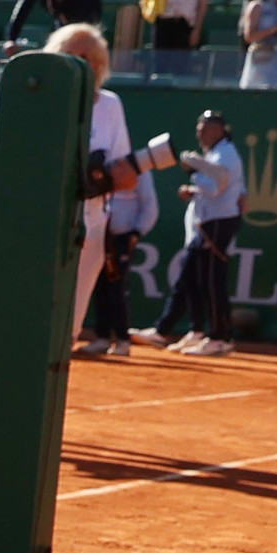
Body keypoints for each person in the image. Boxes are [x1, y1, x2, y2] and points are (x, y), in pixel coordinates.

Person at [44, 22, 135, 357]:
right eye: (72, 56)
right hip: (43, 219)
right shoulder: (41, 100)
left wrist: (104, 176)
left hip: (91, 226)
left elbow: (124, 172)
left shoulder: (111, 105)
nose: (83, 65)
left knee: (69, 323)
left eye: (90, 58)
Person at [145, 107, 247, 353]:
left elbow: (216, 188)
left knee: (212, 281)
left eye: (205, 130)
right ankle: (197, 331)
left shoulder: (225, 154)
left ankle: (219, 337)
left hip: (218, 223)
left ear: (219, 130)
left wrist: (194, 173)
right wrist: (194, 187)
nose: (200, 134)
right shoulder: (215, 154)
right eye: (198, 129)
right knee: (193, 277)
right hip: (208, 223)